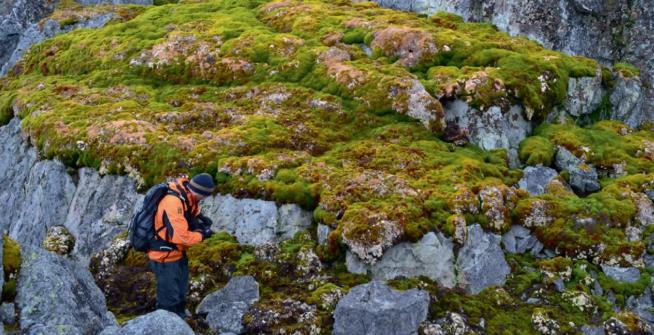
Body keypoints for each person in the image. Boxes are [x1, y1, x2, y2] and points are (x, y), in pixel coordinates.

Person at [147, 173, 216, 318]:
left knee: (180, 295)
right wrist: (202, 235)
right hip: (164, 257)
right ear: (200, 193)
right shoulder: (173, 202)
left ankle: (180, 321)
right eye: (205, 196)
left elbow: (191, 215)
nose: (205, 199)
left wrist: (200, 222)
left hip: (178, 254)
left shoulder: (188, 197)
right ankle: (165, 325)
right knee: (169, 301)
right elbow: (180, 237)